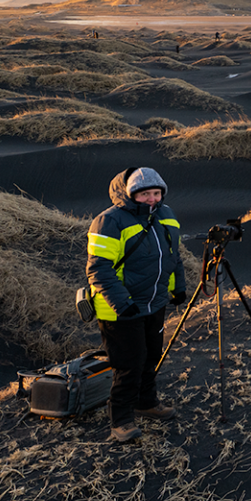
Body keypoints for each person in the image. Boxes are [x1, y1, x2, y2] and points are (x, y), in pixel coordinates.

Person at [87, 167, 186, 442]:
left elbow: (173, 257)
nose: (152, 199)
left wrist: (177, 288)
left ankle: (146, 403)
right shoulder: (109, 221)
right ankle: (121, 420)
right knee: (128, 363)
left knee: (152, 355)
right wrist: (123, 304)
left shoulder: (166, 215)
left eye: (156, 193)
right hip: (119, 309)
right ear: (129, 194)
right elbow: (99, 270)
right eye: (145, 194)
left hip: (154, 304)